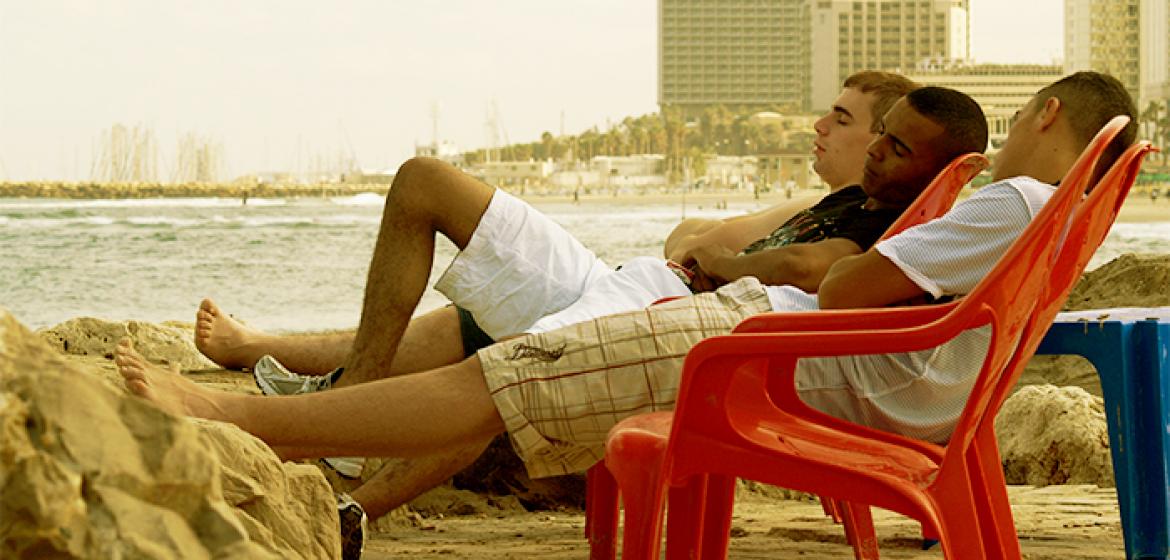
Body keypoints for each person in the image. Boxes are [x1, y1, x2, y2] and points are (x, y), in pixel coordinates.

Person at [118, 83, 999, 545]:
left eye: (867, 130)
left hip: (670, 308)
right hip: (630, 278)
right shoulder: (840, 196)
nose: (843, 135)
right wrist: (723, 247)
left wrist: (728, 258)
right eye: (864, 126)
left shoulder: (895, 222)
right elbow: (715, 236)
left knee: (504, 376)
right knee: (425, 182)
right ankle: (350, 393)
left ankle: (333, 495)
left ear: (933, 166)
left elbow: (817, 270)